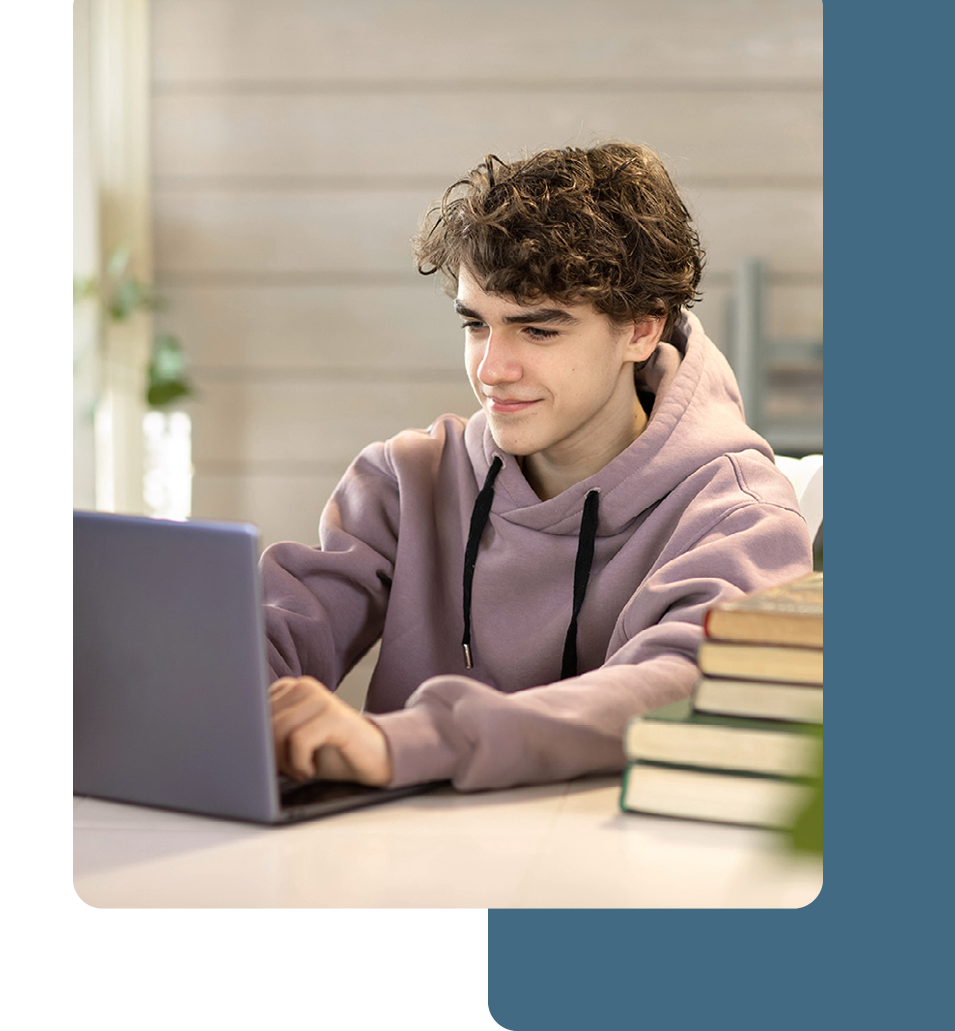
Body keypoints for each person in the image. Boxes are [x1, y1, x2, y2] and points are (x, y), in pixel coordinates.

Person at [263, 142, 814, 792]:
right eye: (476, 325)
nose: (492, 369)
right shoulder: (405, 481)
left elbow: (684, 680)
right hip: (406, 869)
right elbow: (268, 636)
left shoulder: (741, 514)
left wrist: (414, 739)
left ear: (641, 329)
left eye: (539, 330)